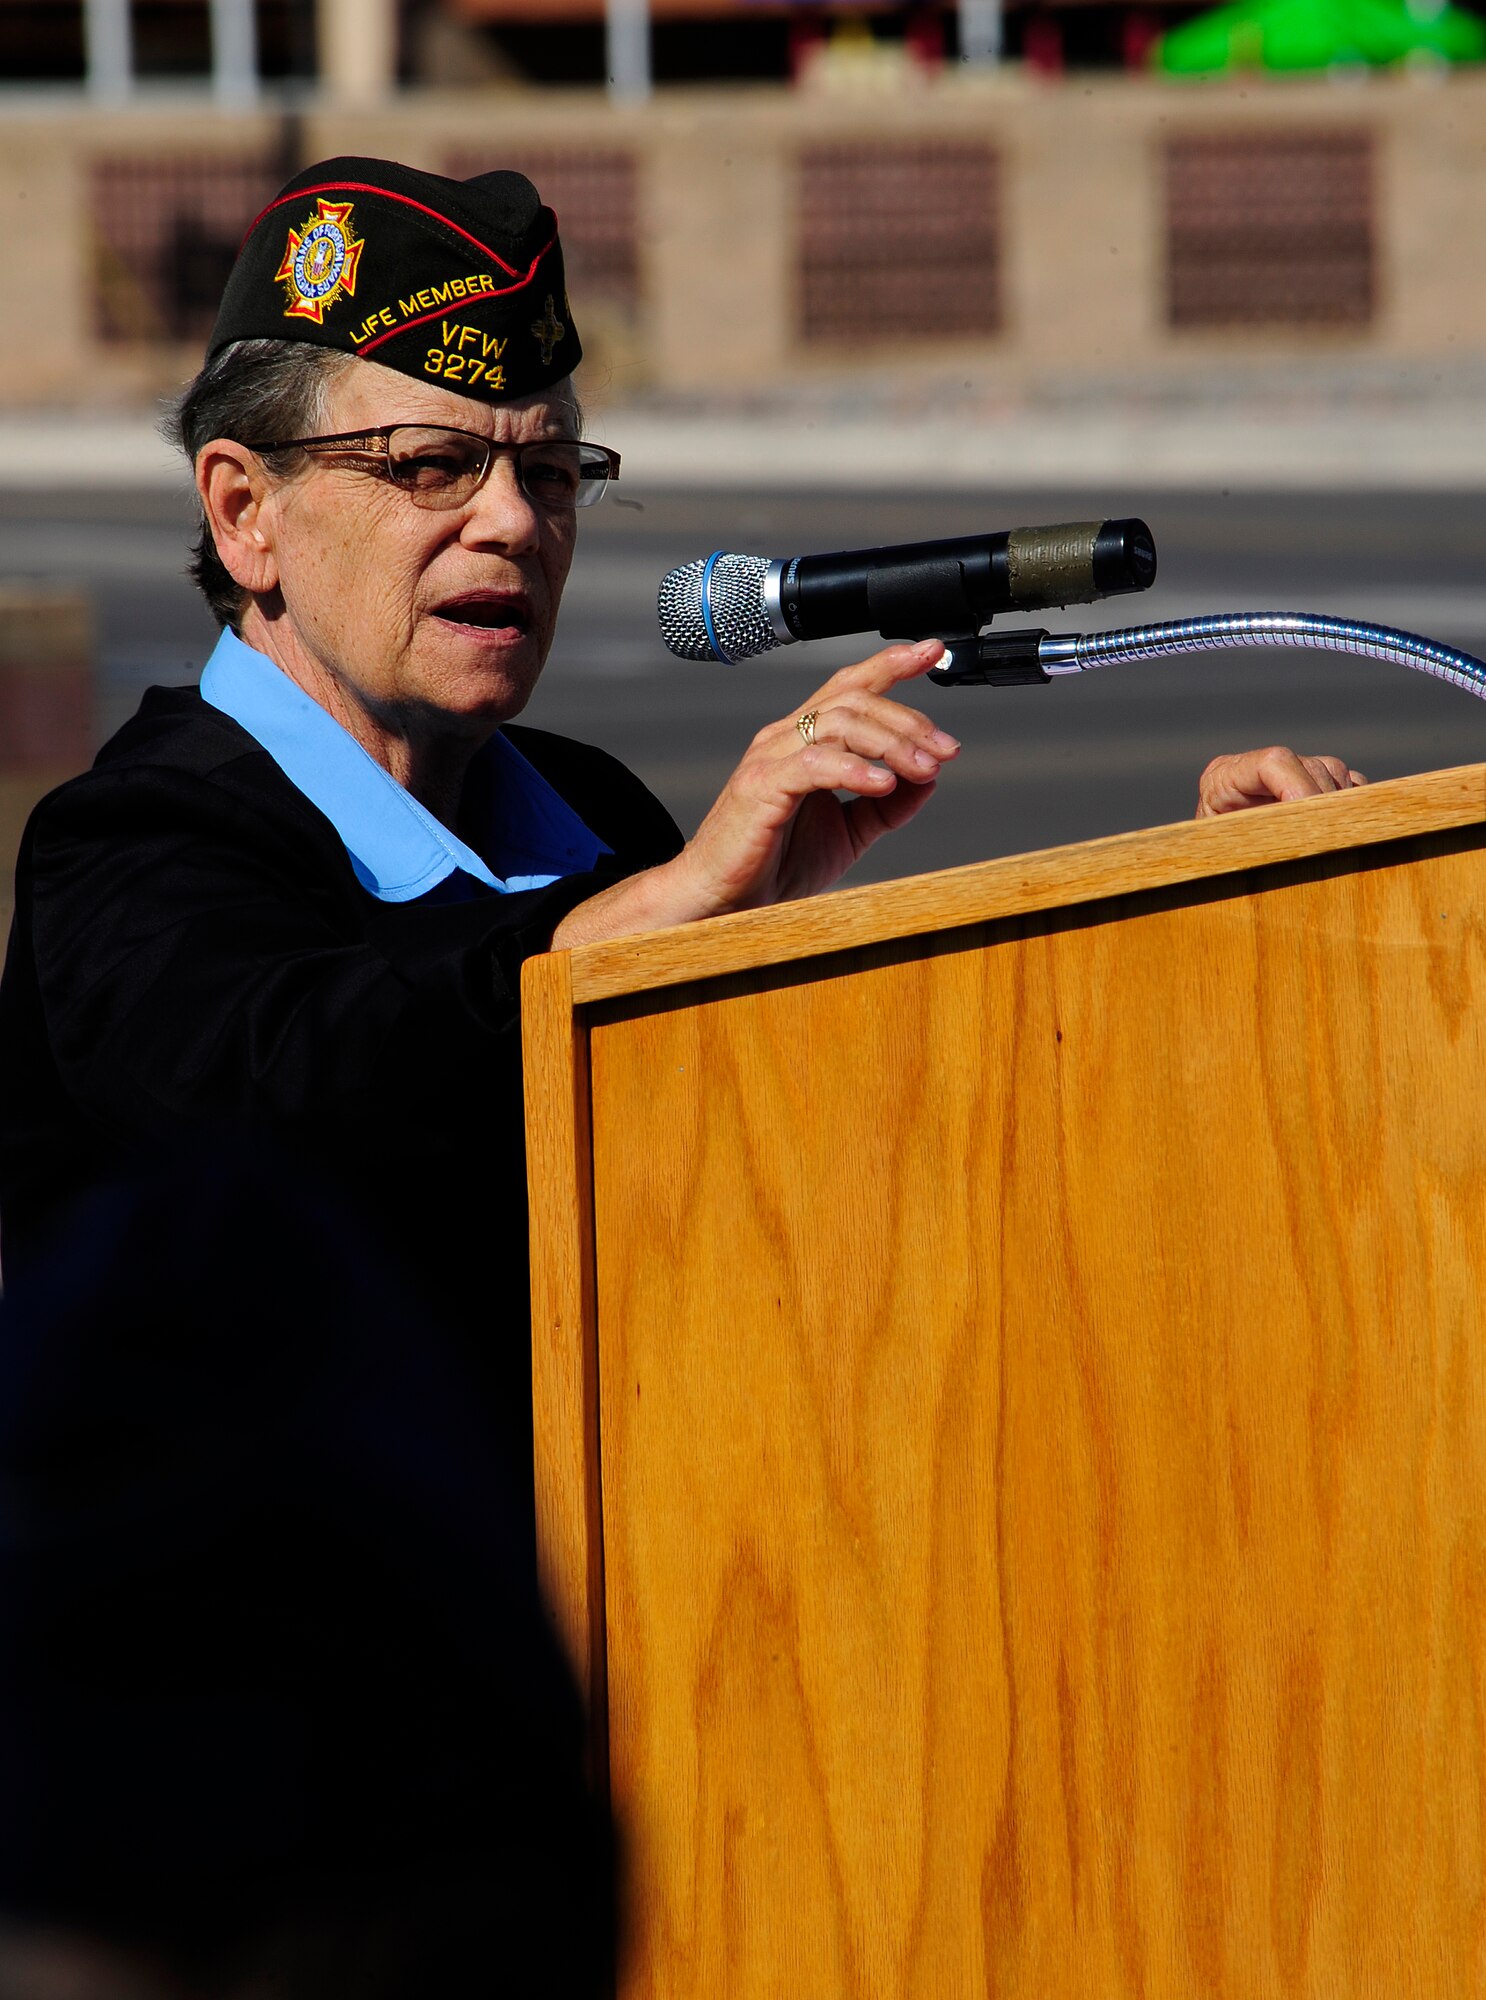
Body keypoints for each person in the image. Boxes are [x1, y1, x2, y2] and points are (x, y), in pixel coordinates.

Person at [0, 156, 1361, 1486]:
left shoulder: (583, 813)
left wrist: (1194, 910)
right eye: (429, 466)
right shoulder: (128, 841)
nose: (511, 525)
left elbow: (844, 1177)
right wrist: (646, 919)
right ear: (245, 515)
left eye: (546, 473)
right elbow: (300, 1094)